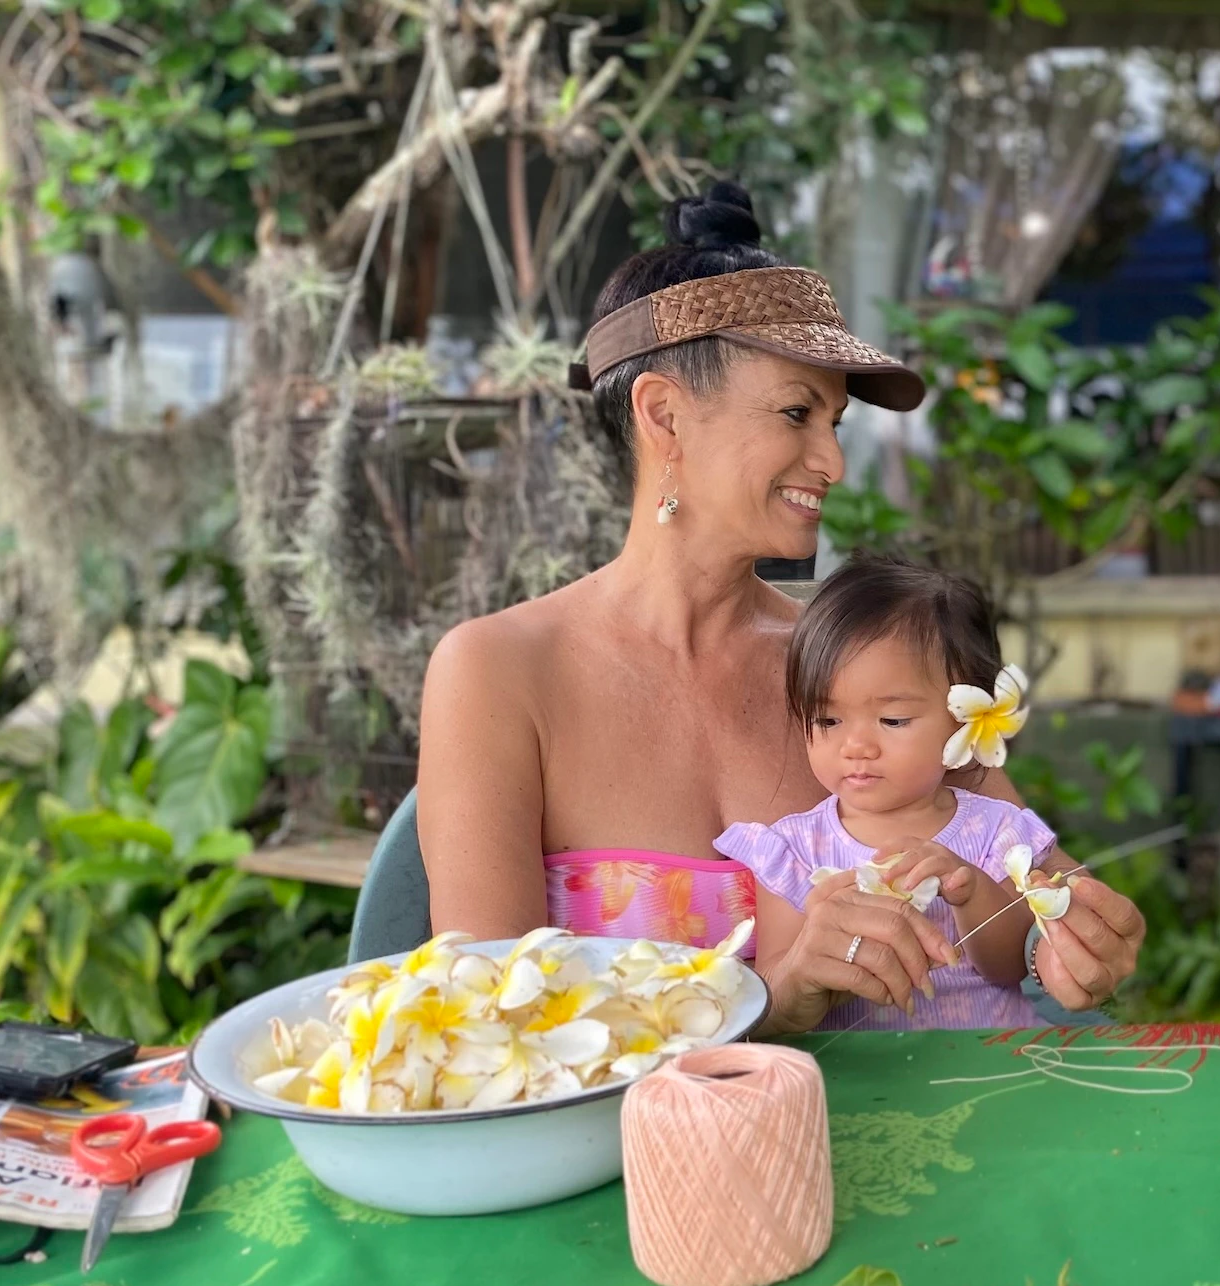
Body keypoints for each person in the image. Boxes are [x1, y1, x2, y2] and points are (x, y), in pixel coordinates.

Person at [415, 183, 1145, 1031]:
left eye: (834, 420)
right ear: (664, 417)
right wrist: (779, 998)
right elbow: (481, 1021)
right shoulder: (498, 672)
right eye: (797, 413)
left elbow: (1031, 888)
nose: (832, 460)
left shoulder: (859, 666)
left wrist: (1075, 941)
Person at [716, 555, 1062, 1030]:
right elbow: (775, 984)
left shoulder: (996, 831)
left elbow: (1009, 967)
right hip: (855, 1083)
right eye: (828, 720)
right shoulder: (794, 851)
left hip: (988, 1068)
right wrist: (810, 957)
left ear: (965, 718)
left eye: (893, 720)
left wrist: (969, 889)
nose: (856, 746)